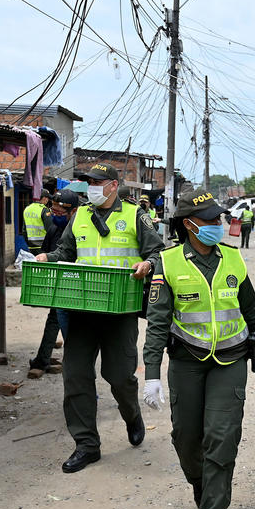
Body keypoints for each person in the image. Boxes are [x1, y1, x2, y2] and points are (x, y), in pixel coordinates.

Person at [142, 189, 255, 509]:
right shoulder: (167, 264)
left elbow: (250, 310)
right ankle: (201, 484)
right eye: (213, 220)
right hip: (187, 360)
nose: (221, 224)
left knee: (222, 435)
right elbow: (156, 323)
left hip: (230, 360)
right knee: (187, 437)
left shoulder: (233, 259)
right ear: (190, 225)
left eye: (220, 218)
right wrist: (152, 372)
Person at [35, 162, 163, 473]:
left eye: (97, 181)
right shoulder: (79, 215)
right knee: (75, 375)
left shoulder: (135, 215)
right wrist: (46, 257)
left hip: (119, 311)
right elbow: (66, 253)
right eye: (88, 181)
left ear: (113, 185)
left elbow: (158, 253)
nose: (91, 186)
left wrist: (148, 265)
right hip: (81, 308)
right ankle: (86, 445)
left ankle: (132, 414)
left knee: (119, 376)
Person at [28, 190, 80, 377]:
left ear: (73, 212)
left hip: (77, 286)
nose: (55, 215)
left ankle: (67, 363)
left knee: (66, 325)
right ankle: (44, 360)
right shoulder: (53, 228)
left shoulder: (79, 230)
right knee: (55, 320)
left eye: (59, 213)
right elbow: (48, 253)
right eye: (54, 211)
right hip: (59, 285)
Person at [23, 189, 52, 255]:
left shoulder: (27, 209)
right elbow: (50, 229)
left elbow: (24, 230)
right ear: (44, 198)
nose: (47, 201)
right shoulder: (44, 210)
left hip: (31, 246)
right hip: (43, 246)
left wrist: (28, 243)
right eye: (47, 198)